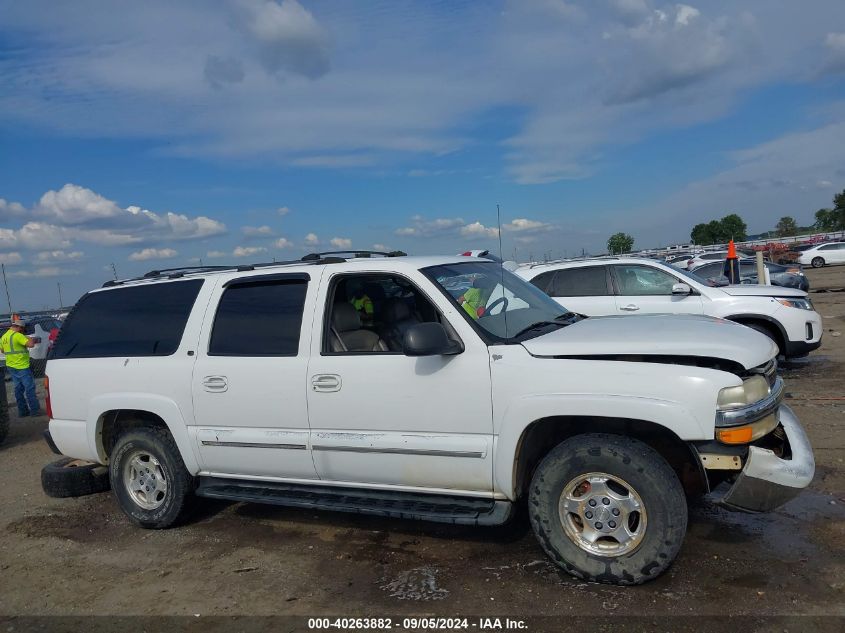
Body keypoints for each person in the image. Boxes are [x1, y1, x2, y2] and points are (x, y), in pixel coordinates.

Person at [1, 315, 41, 417]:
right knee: (29, 388)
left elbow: (2, 350)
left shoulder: (4, 337)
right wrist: (29, 338)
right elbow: (31, 344)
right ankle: (35, 411)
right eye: (22, 330)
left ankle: (23, 412)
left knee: (18, 389)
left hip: (11, 366)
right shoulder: (18, 335)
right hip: (22, 366)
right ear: (20, 328)